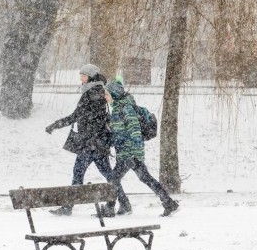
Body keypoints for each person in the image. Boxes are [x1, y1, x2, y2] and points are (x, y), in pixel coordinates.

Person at [45, 63, 124, 215]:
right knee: (109, 175)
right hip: (98, 143)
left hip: (90, 144)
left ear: (91, 77)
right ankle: (125, 203)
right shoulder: (98, 91)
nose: (81, 78)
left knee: (78, 173)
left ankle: (68, 207)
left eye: (83, 76)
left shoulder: (91, 94)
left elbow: (76, 116)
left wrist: (55, 125)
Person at [104, 80, 179, 217]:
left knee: (113, 180)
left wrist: (134, 153)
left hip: (129, 153)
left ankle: (110, 209)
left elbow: (135, 131)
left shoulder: (125, 108)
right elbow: (121, 132)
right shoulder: (117, 108)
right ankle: (169, 203)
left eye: (107, 94)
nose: (105, 96)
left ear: (114, 94)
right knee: (145, 178)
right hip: (127, 153)